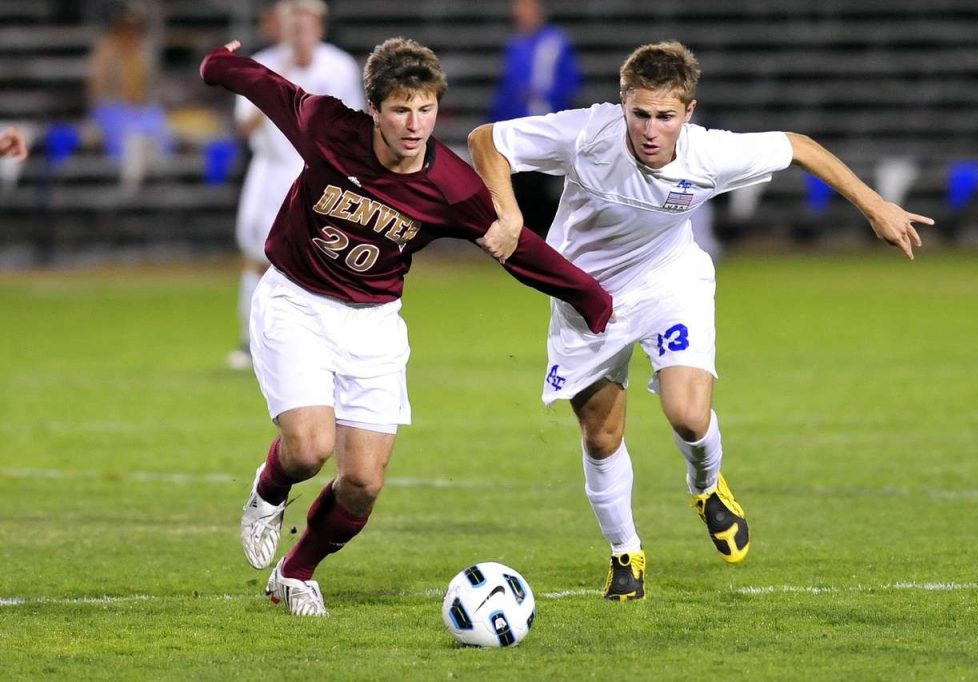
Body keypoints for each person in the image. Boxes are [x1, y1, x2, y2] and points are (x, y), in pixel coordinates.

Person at [468, 41, 933, 601]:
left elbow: (799, 146)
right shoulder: (587, 133)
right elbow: (486, 139)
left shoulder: (709, 154)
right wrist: (510, 210)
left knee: (689, 415)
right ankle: (625, 552)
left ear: (688, 114)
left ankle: (707, 487)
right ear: (622, 105)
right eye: (639, 113)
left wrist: (875, 206)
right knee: (600, 435)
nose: (649, 129)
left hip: (670, 284)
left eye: (665, 116)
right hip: (584, 295)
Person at [200, 37, 613, 616]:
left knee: (363, 482)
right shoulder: (328, 126)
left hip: (373, 324)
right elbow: (272, 90)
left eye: (426, 109)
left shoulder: (452, 186)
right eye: (400, 109)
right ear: (373, 108)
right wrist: (219, 65)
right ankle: (269, 492)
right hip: (296, 302)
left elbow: (520, 251)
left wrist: (591, 297)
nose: (415, 123)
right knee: (309, 450)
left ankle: (295, 572)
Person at [227, 0, 366, 370]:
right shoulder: (264, 63)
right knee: (259, 256)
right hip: (273, 171)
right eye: (294, 19)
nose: (301, 27)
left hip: (319, 173)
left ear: (319, 23)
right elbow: (245, 126)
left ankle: (327, 340)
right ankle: (250, 340)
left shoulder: (338, 65)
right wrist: (280, 78)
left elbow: (353, 125)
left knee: (327, 255)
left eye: (308, 18)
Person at [488, 0, 581, 239]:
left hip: (542, 125)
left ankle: (546, 235)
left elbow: (568, 82)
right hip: (516, 125)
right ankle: (526, 235)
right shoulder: (515, 45)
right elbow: (507, 86)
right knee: (519, 183)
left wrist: (550, 106)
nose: (520, 17)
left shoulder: (555, 42)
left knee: (540, 184)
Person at [87, 1, 170, 160]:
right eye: (127, 26)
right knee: (125, 138)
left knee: (160, 131)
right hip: (111, 106)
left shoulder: (145, 50)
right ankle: (124, 178)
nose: (131, 31)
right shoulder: (105, 50)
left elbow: (153, 84)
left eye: (135, 26)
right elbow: (96, 87)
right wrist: (122, 97)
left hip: (142, 107)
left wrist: (142, 98)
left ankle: (156, 175)